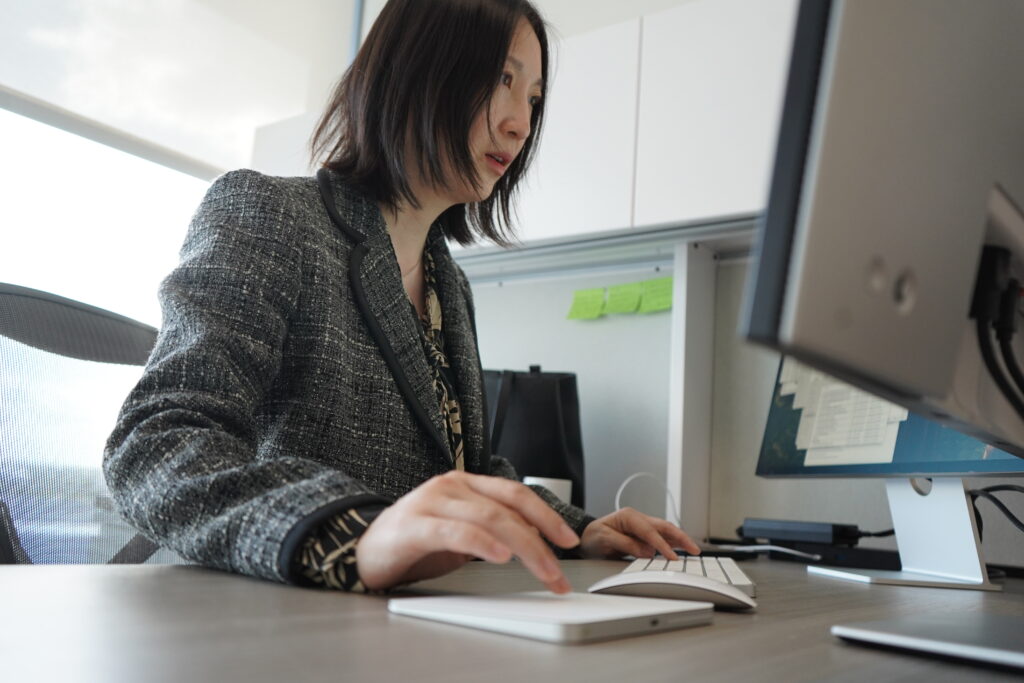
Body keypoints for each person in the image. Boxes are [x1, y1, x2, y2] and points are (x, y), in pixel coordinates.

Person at [104, 0, 699, 595]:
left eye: (534, 99)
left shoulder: (449, 284)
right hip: (264, 616)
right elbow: (155, 441)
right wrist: (354, 536)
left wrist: (579, 531)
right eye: (503, 79)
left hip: (406, 622)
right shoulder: (271, 216)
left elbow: (467, 473)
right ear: (418, 69)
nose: (521, 123)